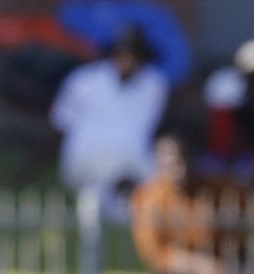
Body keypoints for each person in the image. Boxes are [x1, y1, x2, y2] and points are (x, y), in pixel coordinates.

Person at [130, 133, 254, 274]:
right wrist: (197, 265)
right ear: (158, 165)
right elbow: (155, 254)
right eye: (171, 164)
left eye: (183, 161)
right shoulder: (148, 198)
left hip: (230, 266)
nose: (179, 171)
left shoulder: (220, 187)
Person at [49, 25, 169, 216]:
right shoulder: (83, 81)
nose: (127, 60)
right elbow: (60, 122)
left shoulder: (154, 85)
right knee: (99, 194)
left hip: (135, 161)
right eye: (122, 53)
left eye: (133, 54)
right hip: (88, 157)